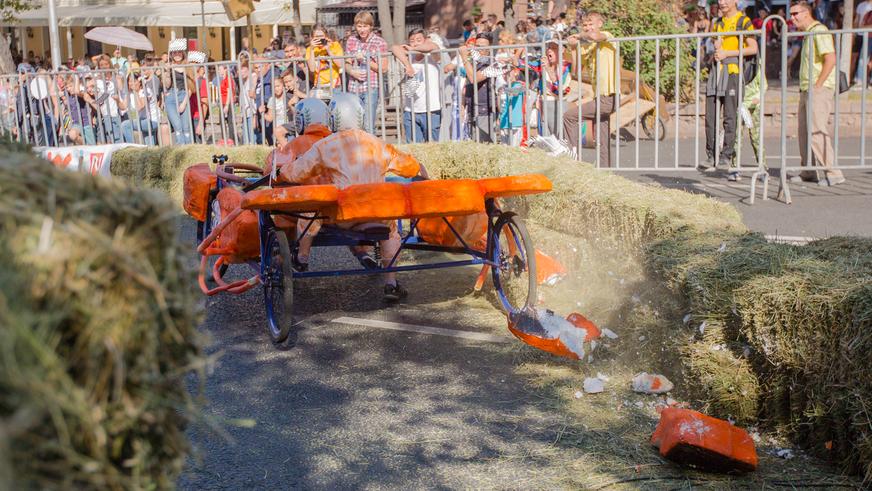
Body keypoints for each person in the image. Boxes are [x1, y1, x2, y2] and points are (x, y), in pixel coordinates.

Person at [278, 93, 429, 301]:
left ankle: (302, 257)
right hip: (377, 214)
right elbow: (410, 166)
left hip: (343, 216)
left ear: (333, 118)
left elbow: (298, 172)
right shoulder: (379, 144)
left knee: (312, 206)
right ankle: (391, 283)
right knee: (392, 232)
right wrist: (420, 168)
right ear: (360, 117)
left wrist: (282, 171)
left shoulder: (326, 145)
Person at [789, 1, 845, 187]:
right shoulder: (808, 33)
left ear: (806, 13)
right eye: (791, 14)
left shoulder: (819, 30)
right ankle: (808, 171)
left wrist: (819, 84)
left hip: (817, 88)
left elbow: (830, 58)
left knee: (816, 131)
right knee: (804, 132)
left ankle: (833, 173)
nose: (793, 17)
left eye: (796, 13)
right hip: (807, 88)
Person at [702, 0, 757, 171]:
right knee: (710, 115)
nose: (722, 2)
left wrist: (728, 52)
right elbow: (715, 45)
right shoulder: (716, 23)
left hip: (733, 70)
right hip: (716, 71)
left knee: (730, 115)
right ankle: (711, 156)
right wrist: (717, 47)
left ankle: (726, 155)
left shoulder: (744, 21)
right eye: (720, 0)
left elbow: (753, 48)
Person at [563, 12, 619, 167]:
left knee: (569, 116)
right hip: (599, 97)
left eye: (591, 24)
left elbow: (595, 36)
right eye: (585, 25)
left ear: (599, 24)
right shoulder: (587, 47)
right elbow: (575, 72)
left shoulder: (608, 36)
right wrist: (574, 49)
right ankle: (605, 170)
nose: (588, 28)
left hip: (609, 96)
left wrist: (579, 36)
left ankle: (573, 162)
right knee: (602, 134)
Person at [392, 28, 442, 143]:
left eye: (419, 40)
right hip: (411, 110)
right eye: (412, 40)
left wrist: (413, 49)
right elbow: (394, 48)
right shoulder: (408, 58)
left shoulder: (432, 56)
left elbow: (433, 46)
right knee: (414, 148)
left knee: (432, 146)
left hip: (431, 109)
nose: (415, 42)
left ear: (425, 40)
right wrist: (408, 65)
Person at [344, 12, 388, 133]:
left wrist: (364, 59)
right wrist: (352, 72)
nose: (362, 30)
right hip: (353, 88)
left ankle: (371, 150)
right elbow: (347, 63)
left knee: (368, 126)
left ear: (371, 26)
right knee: (355, 125)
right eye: (359, 26)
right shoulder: (351, 40)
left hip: (371, 87)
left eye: (365, 26)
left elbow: (383, 68)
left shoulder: (380, 42)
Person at [457, 33, 500, 142]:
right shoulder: (473, 63)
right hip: (472, 109)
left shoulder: (493, 64)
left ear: (489, 49)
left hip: (485, 111)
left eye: (483, 47)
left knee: (485, 147)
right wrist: (462, 106)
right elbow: (467, 84)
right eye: (477, 46)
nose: (479, 49)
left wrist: (464, 57)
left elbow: (474, 79)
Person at [536, 41, 572, 137]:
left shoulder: (567, 67)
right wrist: (512, 58)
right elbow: (521, 64)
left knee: (559, 139)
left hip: (557, 104)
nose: (550, 50)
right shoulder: (542, 64)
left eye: (554, 48)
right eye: (549, 48)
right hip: (542, 104)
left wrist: (548, 69)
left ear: (562, 51)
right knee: (544, 140)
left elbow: (561, 91)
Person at [306, 24, 344, 100]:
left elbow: (340, 64)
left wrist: (328, 49)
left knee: (335, 110)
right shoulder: (309, 49)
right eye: (316, 37)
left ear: (326, 36)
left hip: (334, 85)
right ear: (312, 38)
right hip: (320, 86)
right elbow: (312, 69)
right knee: (323, 110)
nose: (319, 39)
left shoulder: (335, 45)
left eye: (321, 36)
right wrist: (312, 49)